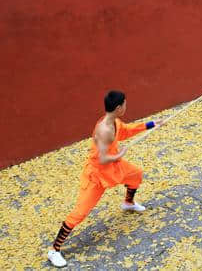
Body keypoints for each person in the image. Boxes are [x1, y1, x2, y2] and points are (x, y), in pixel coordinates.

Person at [47, 90, 160, 267]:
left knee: (136, 174)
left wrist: (151, 124)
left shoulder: (114, 121)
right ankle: (54, 250)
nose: (126, 106)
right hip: (98, 175)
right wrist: (120, 154)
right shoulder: (105, 130)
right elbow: (103, 159)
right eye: (125, 104)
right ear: (118, 107)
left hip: (114, 167)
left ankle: (128, 203)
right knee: (79, 213)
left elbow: (126, 131)